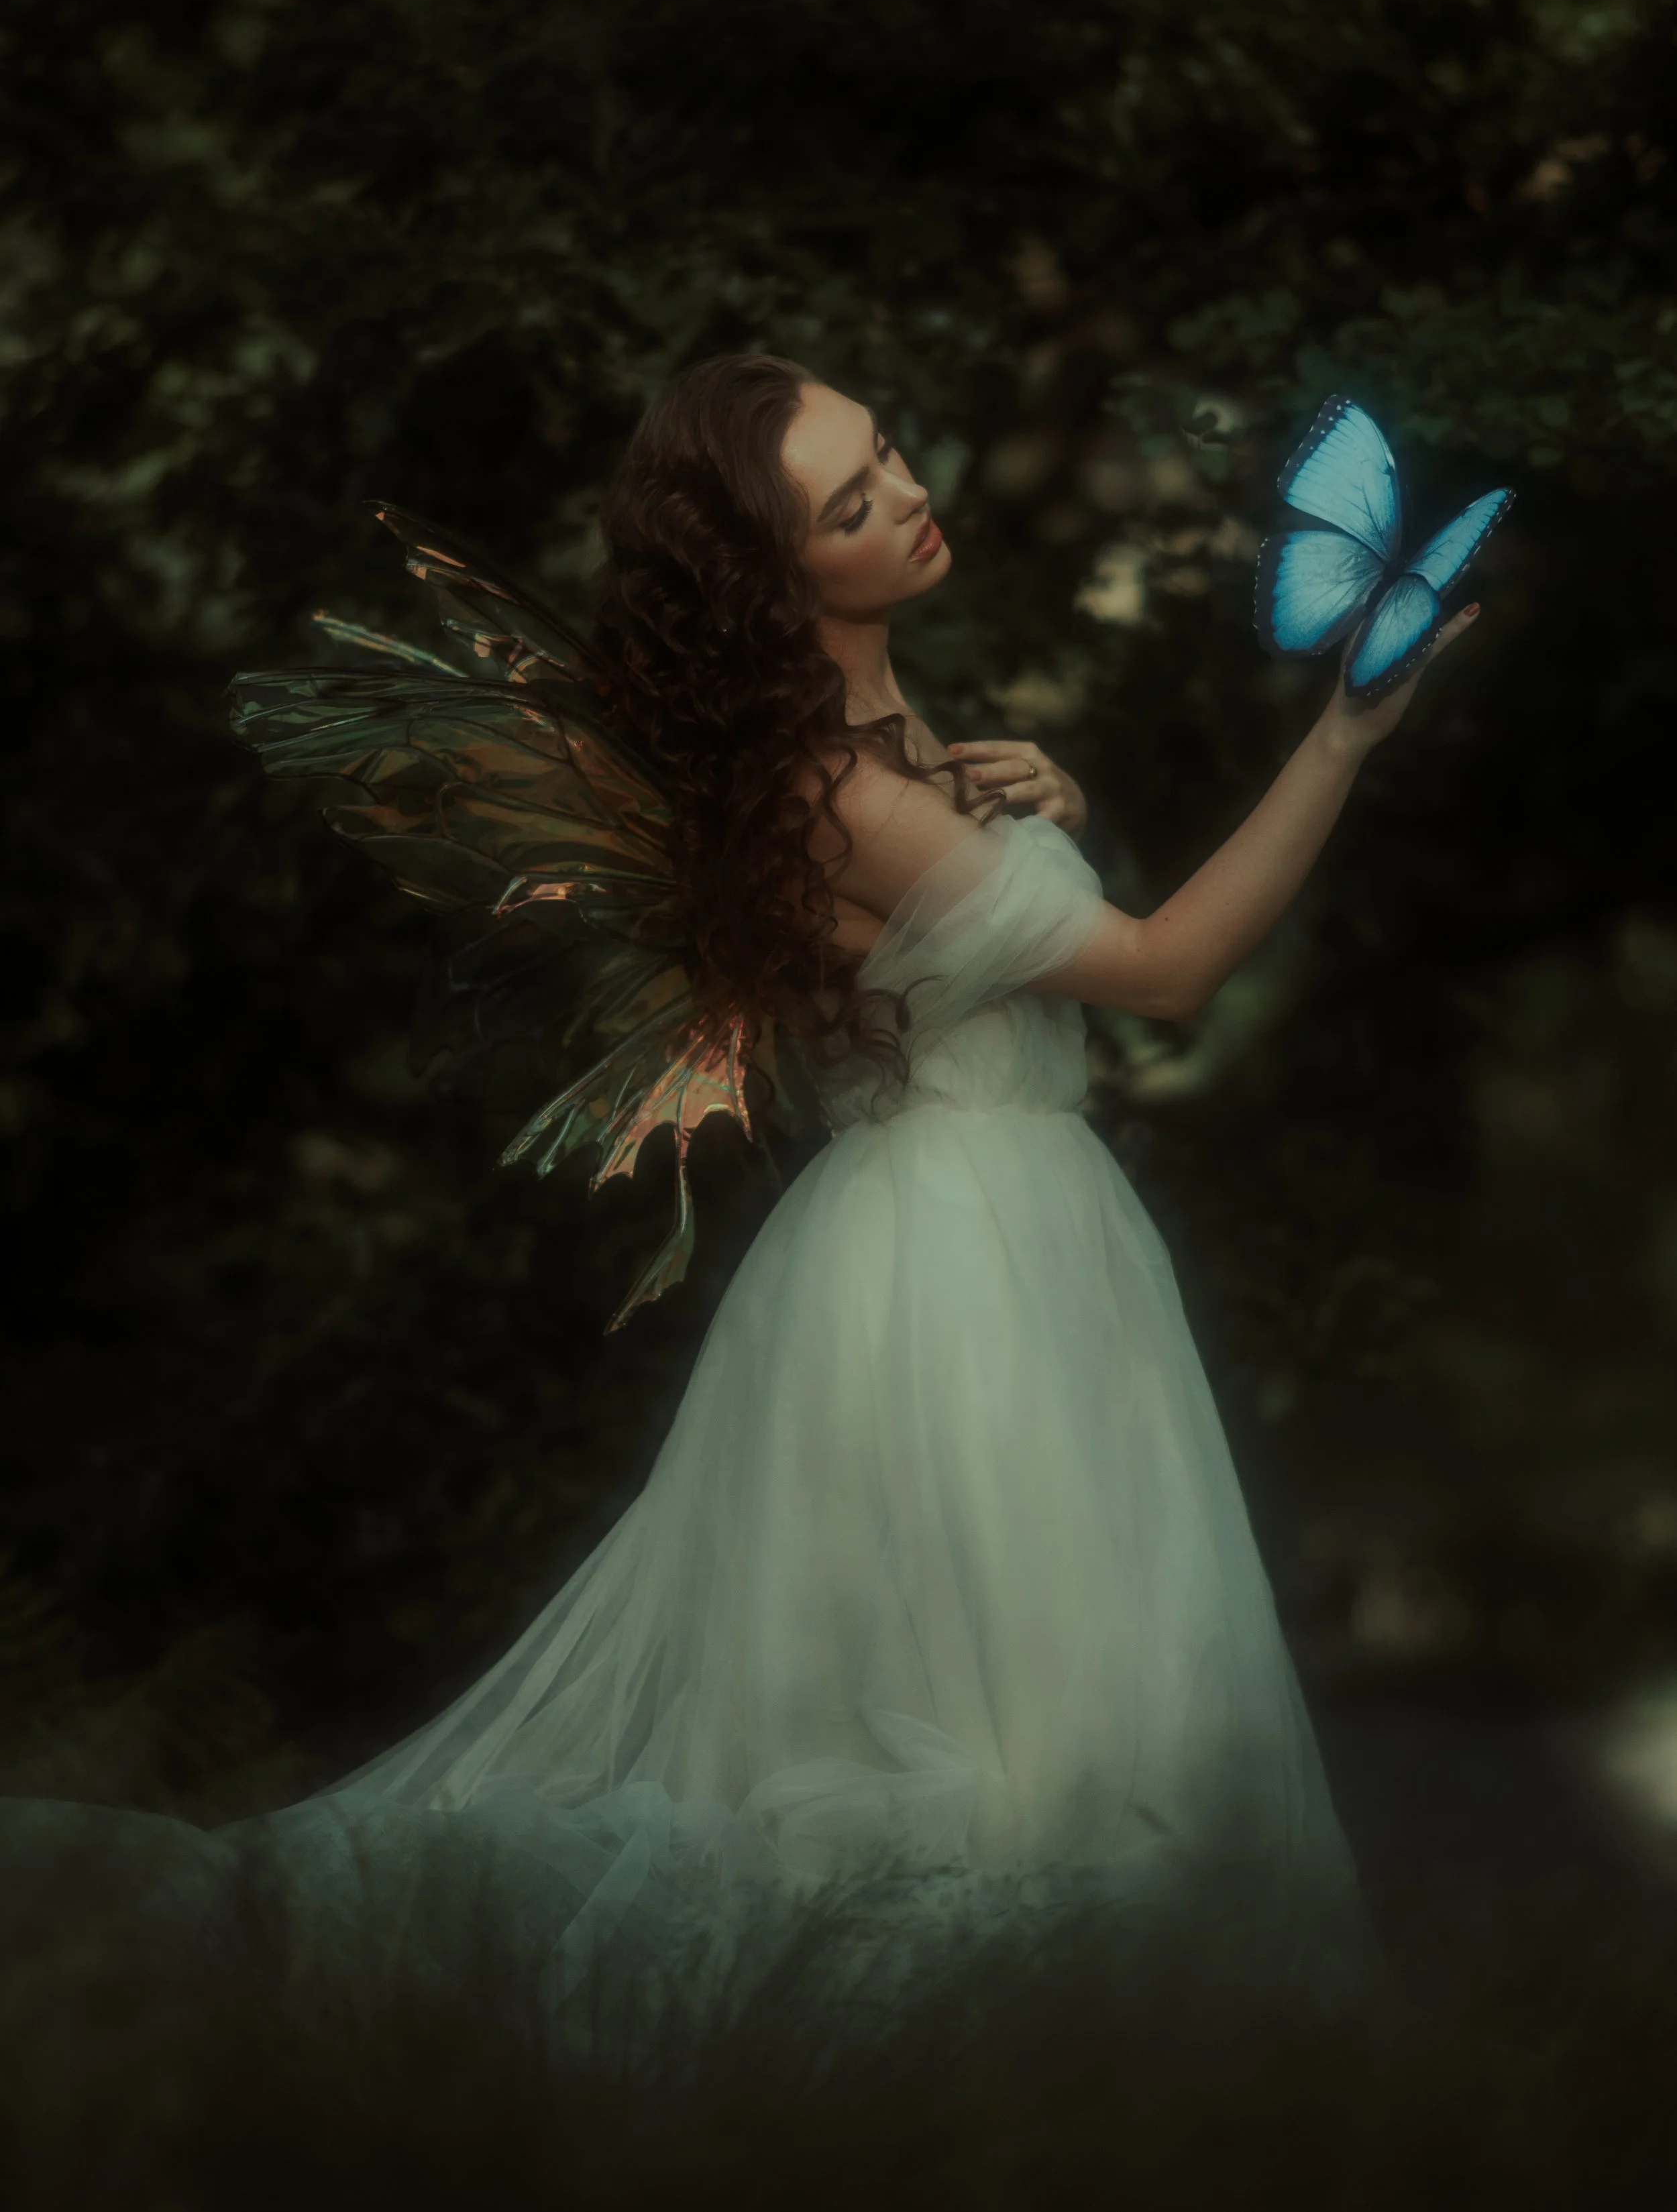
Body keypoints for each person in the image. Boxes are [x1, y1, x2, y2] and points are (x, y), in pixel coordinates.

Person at [6, 352, 1478, 2066]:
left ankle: (1080, 2121)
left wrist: (1055, 808)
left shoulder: (888, 739)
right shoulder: (827, 786)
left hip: (1004, 1231)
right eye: (850, 504)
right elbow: (1162, 975)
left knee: (1078, 1746)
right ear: (781, 579)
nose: (909, 494)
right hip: (959, 1272)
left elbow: (978, 971)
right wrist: (1347, 729)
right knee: (1027, 1773)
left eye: (891, 449)